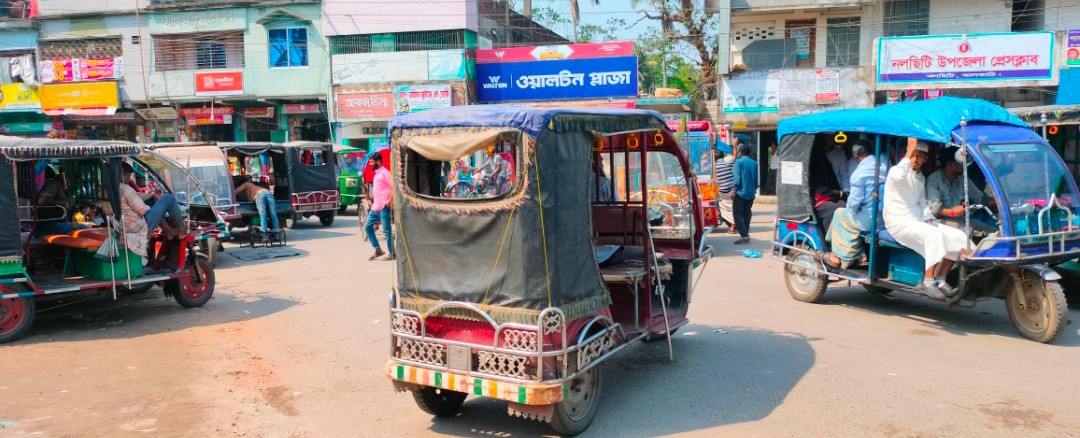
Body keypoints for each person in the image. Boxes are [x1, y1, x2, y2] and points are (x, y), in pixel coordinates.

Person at [883, 139, 972, 299]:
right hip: (898, 222)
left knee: (958, 236)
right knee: (934, 235)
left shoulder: (920, 177)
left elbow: (923, 203)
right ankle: (928, 281)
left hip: (917, 220)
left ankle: (941, 278)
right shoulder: (896, 172)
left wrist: (929, 218)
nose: (915, 160)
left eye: (919, 157)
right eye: (912, 156)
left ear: (925, 159)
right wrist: (910, 149)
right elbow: (899, 176)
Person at [824, 141, 888, 268]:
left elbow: (854, 203)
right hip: (883, 219)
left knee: (839, 213)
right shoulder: (883, 166)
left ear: (856, 156)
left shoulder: (859, 174)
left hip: (868, 221)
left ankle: (838, 256)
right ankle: (860, 256)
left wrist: (852, 208)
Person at [112, 163, 187, 261]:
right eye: (128, 176)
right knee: (169, 198)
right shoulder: (125, 189)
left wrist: (151, 197)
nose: (128, 179)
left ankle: (169, 231)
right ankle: (182, 230)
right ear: (123, 175)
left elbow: (135, 196)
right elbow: (142, 209)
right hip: (136, 227)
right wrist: (155, 207)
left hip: (121, 225)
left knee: (151, 202)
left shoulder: (109, 189)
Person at [926, 147, 996, 235]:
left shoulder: (963, 179)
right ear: (951, 164)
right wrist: (952, 213)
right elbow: (934, 209)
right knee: (967, 231)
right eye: (961, 163)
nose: (965, 166)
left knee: (993, 230)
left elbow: (980, 198)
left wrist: (998, 202)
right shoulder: (934, 180)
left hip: (960, 220)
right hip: (938, 221)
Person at [35, 166, 92, 236]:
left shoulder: (67, 189)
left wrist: (94, 206)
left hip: (62, 223)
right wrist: (64, 204)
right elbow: (42, 200)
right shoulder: (54, 185)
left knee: (86, 228)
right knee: (84, 228)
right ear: (64, 176)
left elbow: (77, 200)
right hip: (49, 226)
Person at [810, 142, 847, 233]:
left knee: (843, 205)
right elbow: (819, 189)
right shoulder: (814, 164)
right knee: (840, 207)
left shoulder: (825, 163)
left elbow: (842, 177)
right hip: (814, 200)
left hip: (826, 196)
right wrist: (838, 193)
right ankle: (829, 238)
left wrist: (842, 193)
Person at [365, 154, 394, 261]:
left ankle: (392, 253)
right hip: (376, 207)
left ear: (378, 161)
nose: (370, 164)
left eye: (372, 162)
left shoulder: (385, 173)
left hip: (383, 207)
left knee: (387, 231)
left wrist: (390, 200)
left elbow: (394, 186)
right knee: (367, 227)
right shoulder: (376, 174)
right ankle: (378, 249)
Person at [731, 143, 759, 244]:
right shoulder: (754, 163)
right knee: (747, 213)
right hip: (751, 193)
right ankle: (745, 234)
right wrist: (755, 189)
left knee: (737, 213)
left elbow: (737, 179)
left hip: (740, 193)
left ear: (741, 152)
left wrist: (734, 191)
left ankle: (744, 235)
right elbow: (756, 180)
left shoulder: (739, 162)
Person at [715, 149, 736, 234]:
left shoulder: (714, 166)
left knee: (722, 207)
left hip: (721, 193)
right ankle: (732, 226)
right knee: (731, 209)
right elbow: (735, 157)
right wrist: (734, 145)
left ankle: (732, 227)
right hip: (730, 191)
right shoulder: (728, 164)